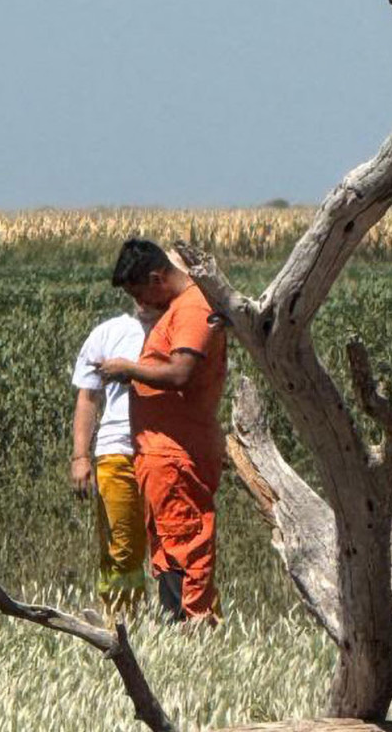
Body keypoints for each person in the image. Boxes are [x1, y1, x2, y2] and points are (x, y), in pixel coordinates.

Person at [96, 238, 226, 624]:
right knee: (169, 549)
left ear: (157, 278)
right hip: (161, 454)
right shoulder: (180, 308)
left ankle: (194, 627)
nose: (141, 304)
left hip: (176, 454)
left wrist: (128, 370)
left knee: (185, 547)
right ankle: (178, 624)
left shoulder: (192, 309)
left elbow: (181, 372)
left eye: (141, 293)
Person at [69, 306, 152, 610]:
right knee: (121, 547)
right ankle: (120, 622)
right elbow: (88, 398)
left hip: (162, 450)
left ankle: (179, 625)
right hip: (116, 451)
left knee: (173, 543)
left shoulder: (178, 326)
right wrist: (80, 456)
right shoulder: (108, 332)